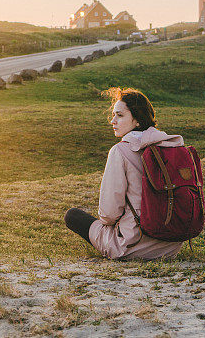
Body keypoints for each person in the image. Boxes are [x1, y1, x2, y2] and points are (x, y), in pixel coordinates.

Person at [64, 87, 184, 260]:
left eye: (119, 116)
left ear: (137, 120)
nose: (112, 121)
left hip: (133, 246)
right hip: (170, 245)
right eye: (113, 115)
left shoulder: (120, 151)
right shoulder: (171, 147)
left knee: (73, 216)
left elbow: (109, 214)